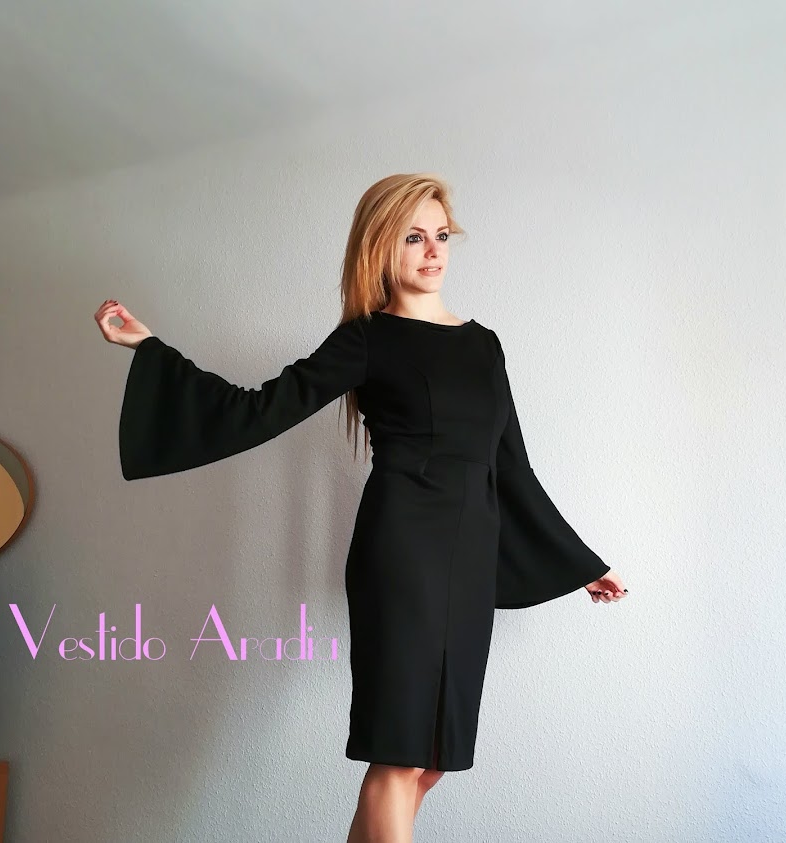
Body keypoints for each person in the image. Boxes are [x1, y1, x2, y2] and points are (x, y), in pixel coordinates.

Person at [94, 172, 628, 843]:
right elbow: (257, 409)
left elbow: (512, 467)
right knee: (398, 753)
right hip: (402, 551)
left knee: (433, 761)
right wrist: (149, 350)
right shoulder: (367, 339)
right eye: (413, 237)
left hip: (468, 561)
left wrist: (579, 562)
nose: (432, 251)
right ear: (380, 246)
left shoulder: (484, 345)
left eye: (441, 236)